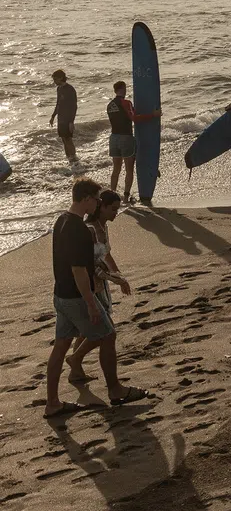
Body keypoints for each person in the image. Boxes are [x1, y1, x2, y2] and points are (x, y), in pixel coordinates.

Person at [44, 178, 146, 417]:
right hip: (77, 297)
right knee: (108, 335)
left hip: (61, 295)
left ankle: (53, 403)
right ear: (87, 199)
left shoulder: (61, 220)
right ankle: (115, 390)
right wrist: (90, 303)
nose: (98, 204)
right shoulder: (79, 229)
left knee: (61, 346)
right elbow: (79, 270)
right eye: (97, 199)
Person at [66, 189, 130, 386]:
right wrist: (114, 279)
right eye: (113, 209)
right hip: (92, 285)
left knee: (87, 330)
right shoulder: (90, 230)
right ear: (101, 207)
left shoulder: (103, 227)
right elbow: (91, 265)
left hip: (102, 283)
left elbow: (106, 255)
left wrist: (119, 276)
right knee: (104, 330)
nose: (116, 213)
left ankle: (76, 371)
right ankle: (75, 359)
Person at [107, 80, 160, 204]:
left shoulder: (110, 105)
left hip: (113, 138)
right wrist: (153, 115)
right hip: (126, 138)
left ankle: (111, 197)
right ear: (123, 89)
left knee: (116, 169)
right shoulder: (126, 103)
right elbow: (134, 118)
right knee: (129, 169)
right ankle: (125, 198)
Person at [50, 69, 79, 171]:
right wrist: (53, 116)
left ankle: (75, 159)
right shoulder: (59, 89)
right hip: (61, 118)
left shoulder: (70, 89)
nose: (54, 81)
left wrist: (71, 121)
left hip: (68, 118)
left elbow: (74, 106)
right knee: (63, 139)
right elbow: (58, 104)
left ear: (61, 78)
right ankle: (69, 159)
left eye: (55, 79)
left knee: (68, 139)